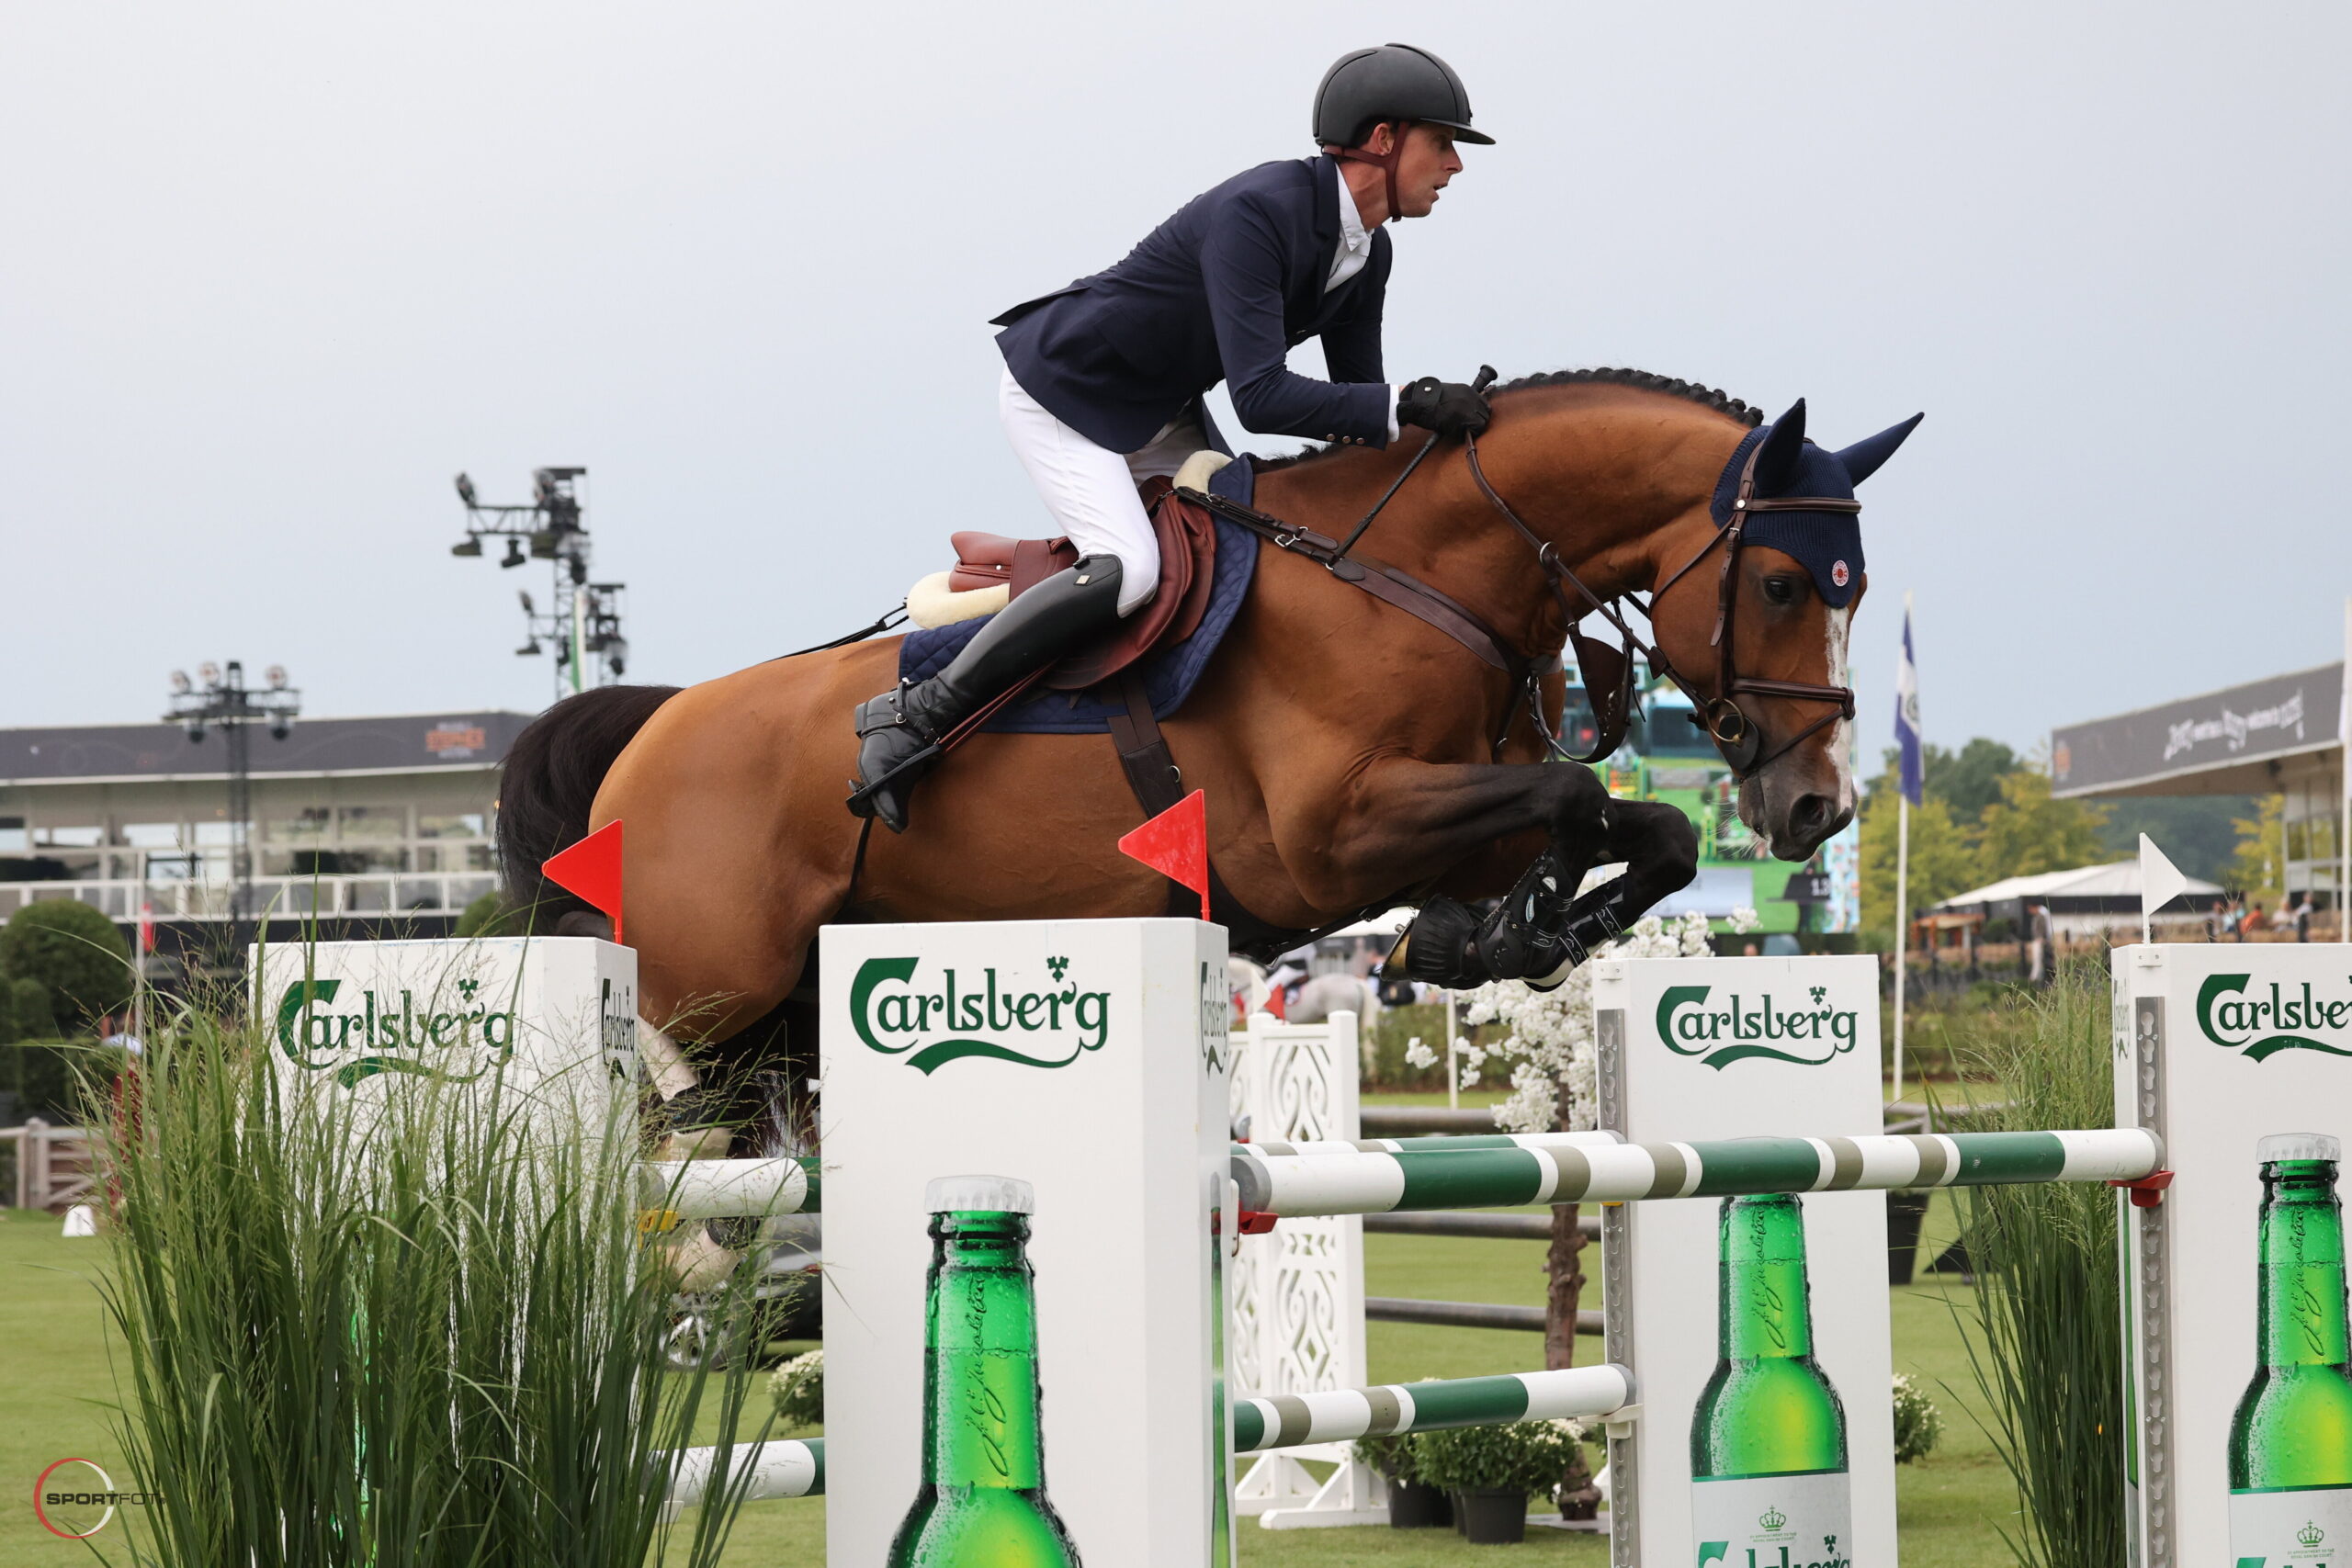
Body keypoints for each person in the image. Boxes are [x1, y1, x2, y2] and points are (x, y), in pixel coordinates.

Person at [849, 43, 1496, 831]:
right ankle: (914, 711)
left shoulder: (1369, 251)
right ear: (1384, 140)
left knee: (1255, 552)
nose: (1456, 165)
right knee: (1128, 572)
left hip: (1158, 407)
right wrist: (1410, 402)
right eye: (1444, 142)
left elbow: (1355, 406)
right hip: (1067, 391)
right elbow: (1262, 396)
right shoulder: (1260, 212)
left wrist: (1431, 443)